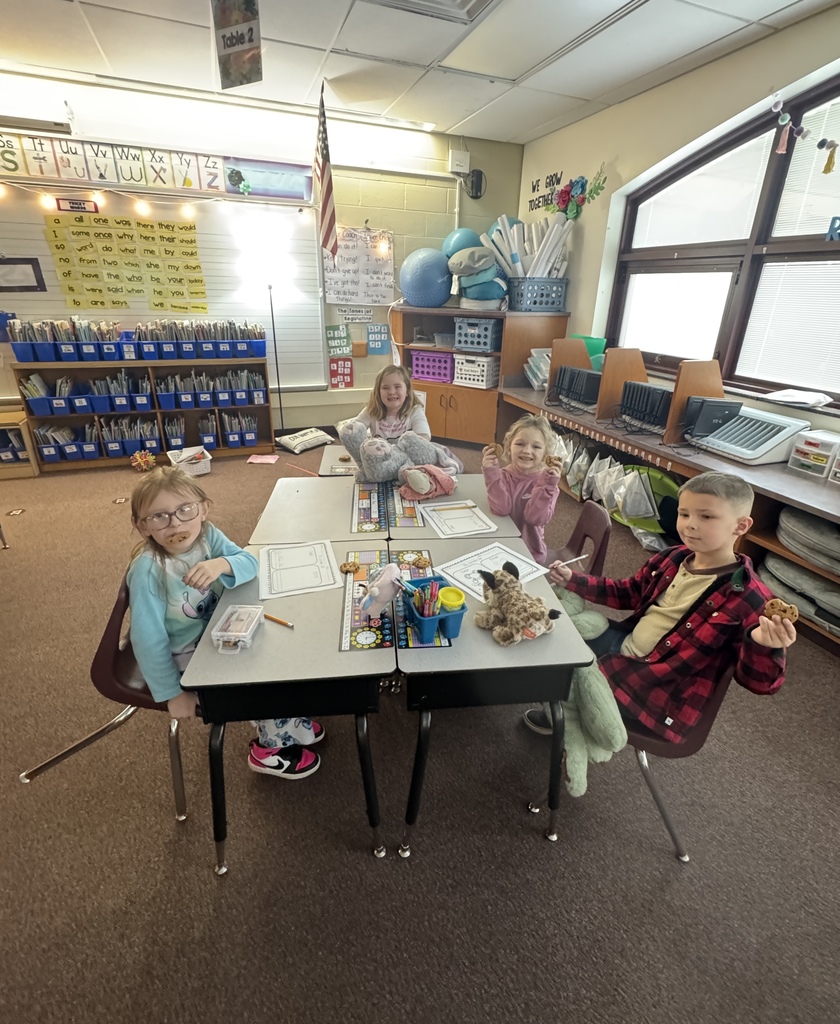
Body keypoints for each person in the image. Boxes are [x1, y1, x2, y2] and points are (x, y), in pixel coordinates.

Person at [524, 471, 796, 742]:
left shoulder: (752, 599)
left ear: (740, 526)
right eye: (684, 514)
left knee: (564, 676)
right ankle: (568, 703)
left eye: (706, 516)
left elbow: (760, 683)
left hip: (656, 689)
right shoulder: (674, 556)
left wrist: (763, 645)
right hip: (626, 646)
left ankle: (567, 722)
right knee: (554, 639)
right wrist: (575, 580)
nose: (689, 525)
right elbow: (628, 592)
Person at [127, 466, 324, 779]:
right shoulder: (149, 570)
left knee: (280, 652)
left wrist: (222, 563)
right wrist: (171, 693)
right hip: (189, 655)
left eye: (185, 510)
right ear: (143, 527)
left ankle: (290, 722)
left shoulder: (208, 537)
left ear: (203, 509)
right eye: (159, 516)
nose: (175, 522)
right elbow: (146, 637)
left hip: (221, 631)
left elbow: (249, 562)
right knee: (260, 679)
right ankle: (269, 751)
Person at [481, 413, 561, 564]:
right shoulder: (503, 475)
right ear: (509, 447)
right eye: (520, 444)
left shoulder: (549, 485)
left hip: (530, 554)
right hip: (500, 548)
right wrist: (491, 473)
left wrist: (548, 484)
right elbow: (501, 509)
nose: (527, 450)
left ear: (546, 454)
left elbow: (534, 518)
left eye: (536, 446)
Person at [352, 364, 431, 441]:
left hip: (406, 454)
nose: (391, 392)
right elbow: (353, 429)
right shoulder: (372, 410)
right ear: (378, 392)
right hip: (379, 453)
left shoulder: (415, 411)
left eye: (397, 386)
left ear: (407, 391)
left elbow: (424, 437)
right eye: (385, 388)